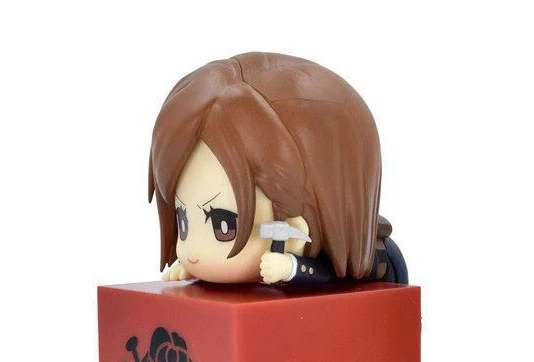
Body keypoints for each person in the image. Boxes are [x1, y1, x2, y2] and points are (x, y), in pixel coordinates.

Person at [149, 52, 408, 285]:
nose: (193, 252)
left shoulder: (377, 263)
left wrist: (290, 267)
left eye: (223, 226)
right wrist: (192, 269)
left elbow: (324, 275)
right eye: (182, 221)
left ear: (297, 226)